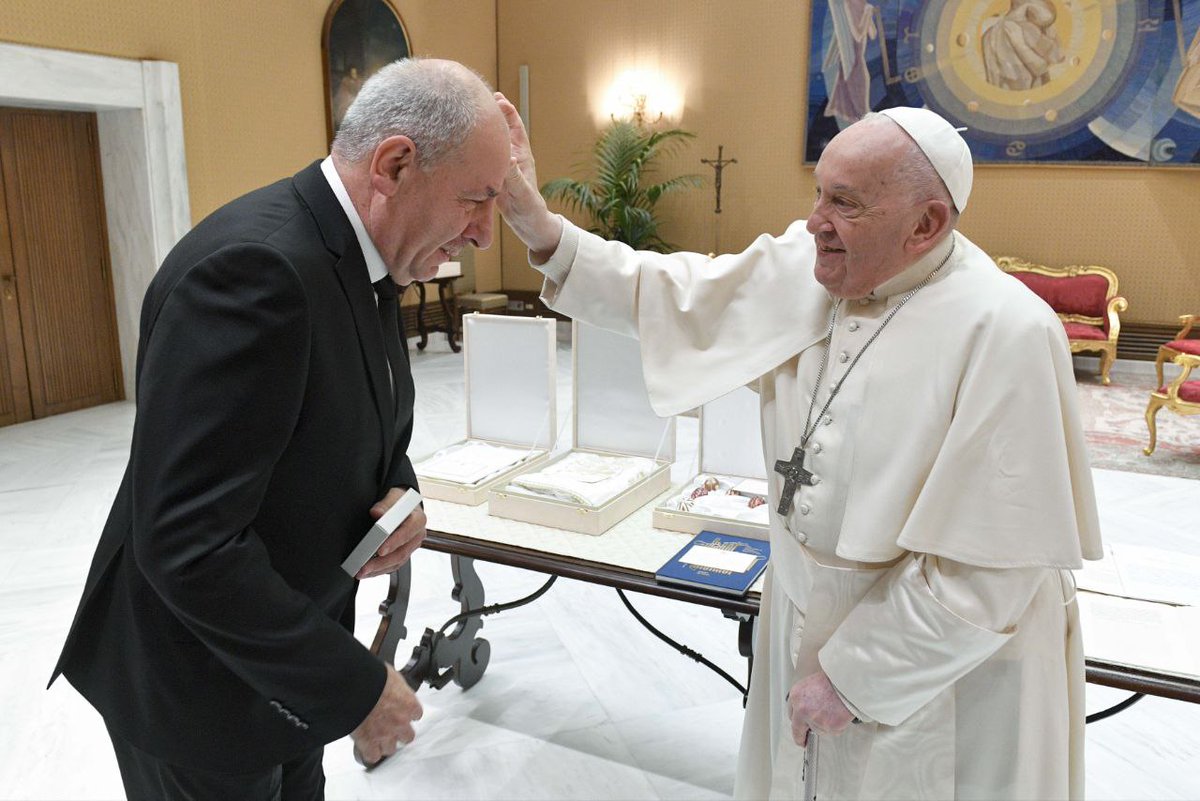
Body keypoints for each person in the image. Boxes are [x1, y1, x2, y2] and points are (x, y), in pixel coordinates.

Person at [497, 96, 1102, 800]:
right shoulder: (810, 265)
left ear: (926, 224)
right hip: (801, 608)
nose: (815, 223)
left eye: (843, 203)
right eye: (818, 193)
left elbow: (990, 571)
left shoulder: (1007, 332)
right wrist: (539, 228)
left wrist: (854, 675)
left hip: (938, 665)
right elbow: (669, 292)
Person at [49, 58, 511, 800]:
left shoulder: (369, 260)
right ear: (395, 163)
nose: (485, 232)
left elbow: (365, 418)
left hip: (277, 674)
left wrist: (402, 495)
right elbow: (188, 544)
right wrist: (356, 686)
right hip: (198, 692)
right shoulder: (255, 272)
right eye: (476, 199)